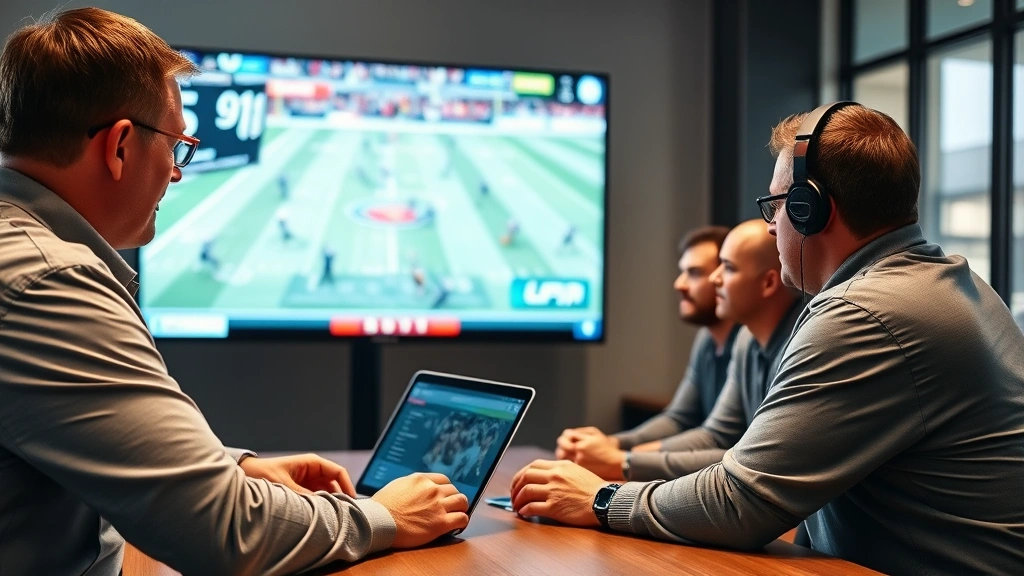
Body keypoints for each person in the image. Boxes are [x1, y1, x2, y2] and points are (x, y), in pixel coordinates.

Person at [0, 8, 468, 576]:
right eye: (177, 146)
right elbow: (226, 531)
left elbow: (64, 429)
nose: (176, 172)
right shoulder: (49, 279)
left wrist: (230, 468)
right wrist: (385, 515)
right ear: (119, 146)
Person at [510, 103, 1024, 574]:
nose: (773, 226)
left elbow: (741, 500)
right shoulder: (955, 283)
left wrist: (600, 498)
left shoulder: (862, 312)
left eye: (776, 206)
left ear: (810, 209)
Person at [565, 220, 801, 482]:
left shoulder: (798, 346)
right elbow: (712, 434)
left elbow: (753, 459)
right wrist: (612, 449)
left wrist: (621, 460)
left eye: (728, 267)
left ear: (768, 283)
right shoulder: (746, 339)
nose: (715, 279)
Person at [555, 226, 740, 469]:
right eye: (682, 272)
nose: (679, 284)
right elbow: (677, 419)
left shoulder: (747, 341)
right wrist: (609, 444)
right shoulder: (706, 339)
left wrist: (621, 458)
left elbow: (718, 439)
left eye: (694, 273)